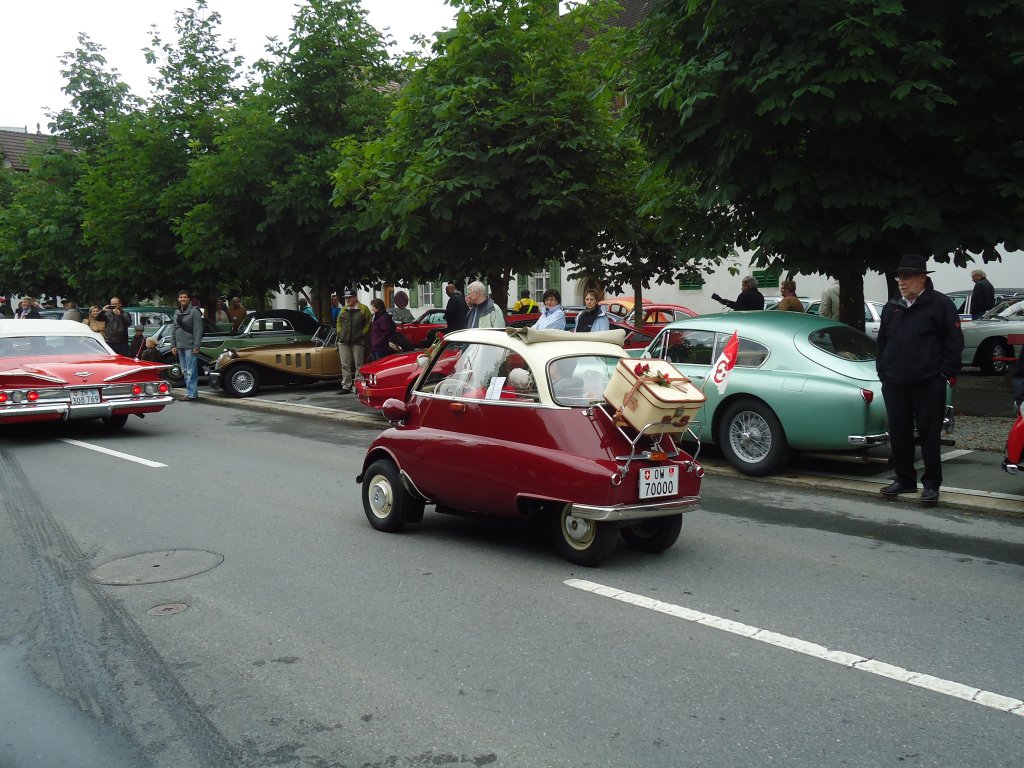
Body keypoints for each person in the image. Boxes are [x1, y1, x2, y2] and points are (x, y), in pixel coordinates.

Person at [876, 254, 964, 506]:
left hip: (928, 381)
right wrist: (883, 370)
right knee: (899, 432)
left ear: (922, 278)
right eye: (899, 276)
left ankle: (931, 484)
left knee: (929, 435)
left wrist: (944, 373)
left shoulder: (940, 305)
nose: (901, 282)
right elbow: (882, 341)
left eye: (907, 276)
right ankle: (904, 479)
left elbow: (954, 342)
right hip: (895, 381)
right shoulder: (892, 306)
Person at [171, 289, 205, 402]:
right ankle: (190, 393)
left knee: (191, 371)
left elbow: (198, 330)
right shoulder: (177, 312)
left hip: (190, 346)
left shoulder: (194, 311)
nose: (182, 299)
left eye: (184, 297)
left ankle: (191, 394)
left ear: (189, 298)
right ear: (178, 299)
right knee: (185, 371)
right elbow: (174, 329)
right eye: (180, 297)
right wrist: (173, 345)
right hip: (180, 345)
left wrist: (196, 346)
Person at [336, 289, 371, 393]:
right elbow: (338, 322)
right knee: (345, 364)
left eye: (349, 297)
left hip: (358, 341)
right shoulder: (343, 309)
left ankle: (357, 386)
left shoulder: (364, 309)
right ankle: (346, 386)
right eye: (346, 298)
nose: (347, 300)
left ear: (355, 298)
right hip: (344, 341)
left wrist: (362, 333)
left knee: (358, 365)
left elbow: (368, 323)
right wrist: (340, 333)